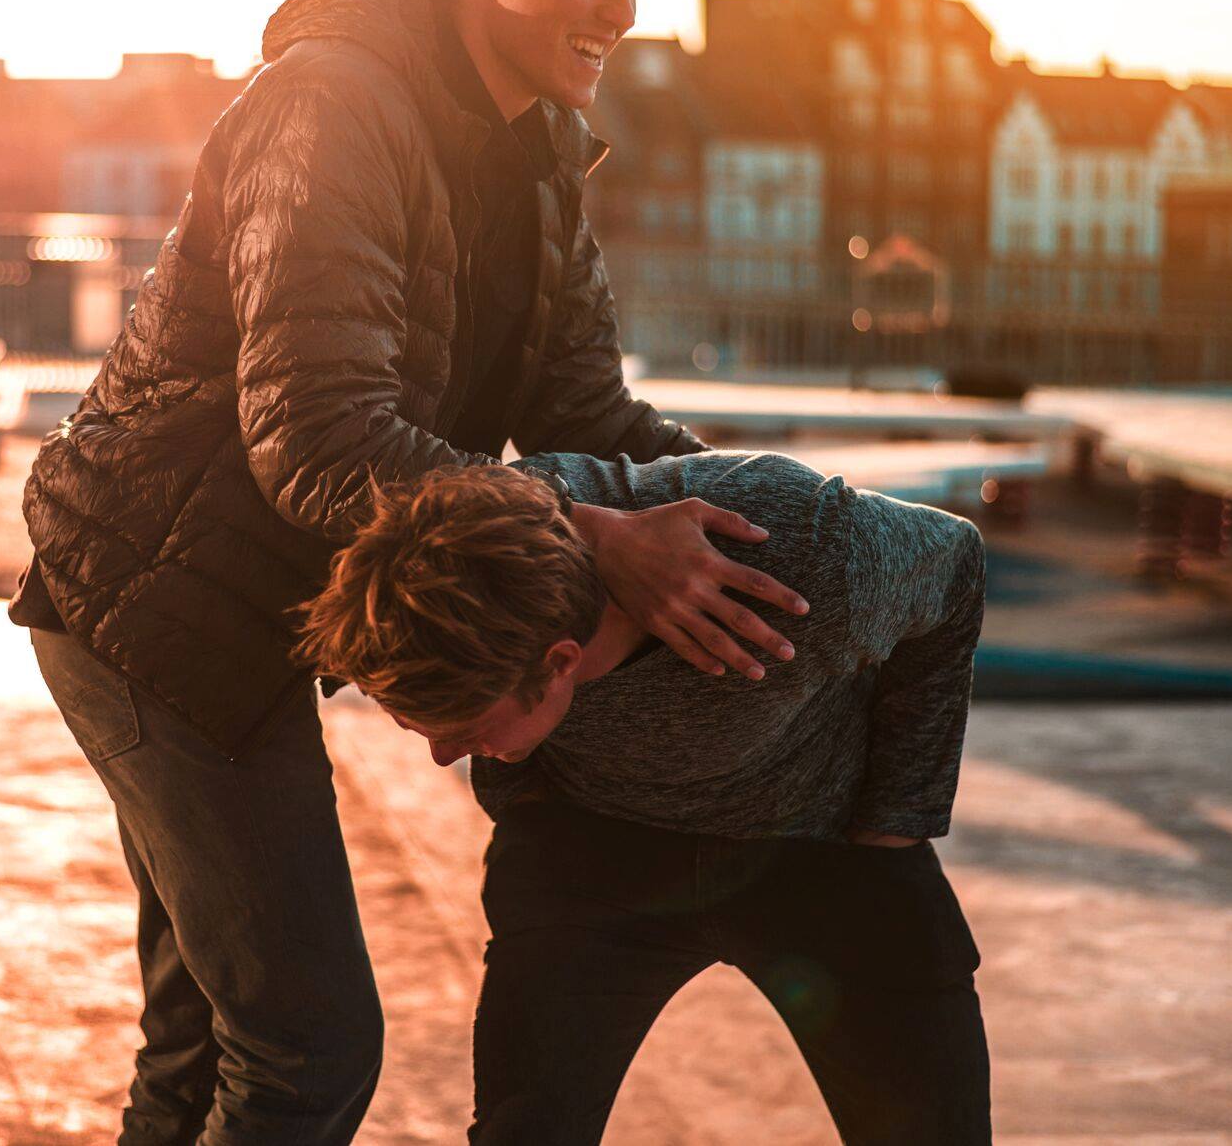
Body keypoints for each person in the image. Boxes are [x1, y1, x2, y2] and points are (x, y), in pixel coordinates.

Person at [10, 0, 813, 1144]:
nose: (617, 7)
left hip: (243, 620)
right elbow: (320, 440)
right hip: (155, 617)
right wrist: (598, 536)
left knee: (208, 1041)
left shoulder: (543, 157)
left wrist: (778, 513)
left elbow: (584, 407)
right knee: (308, 1044)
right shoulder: (330, 110)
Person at [296, 455, 992, 1145]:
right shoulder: (484, 537)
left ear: (561, 661)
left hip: (820, 844)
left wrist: (895, 821)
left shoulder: (800, 553)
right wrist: (526, 803)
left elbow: (954, 563)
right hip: (589, 844)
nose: (442, 756)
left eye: (465, 729)